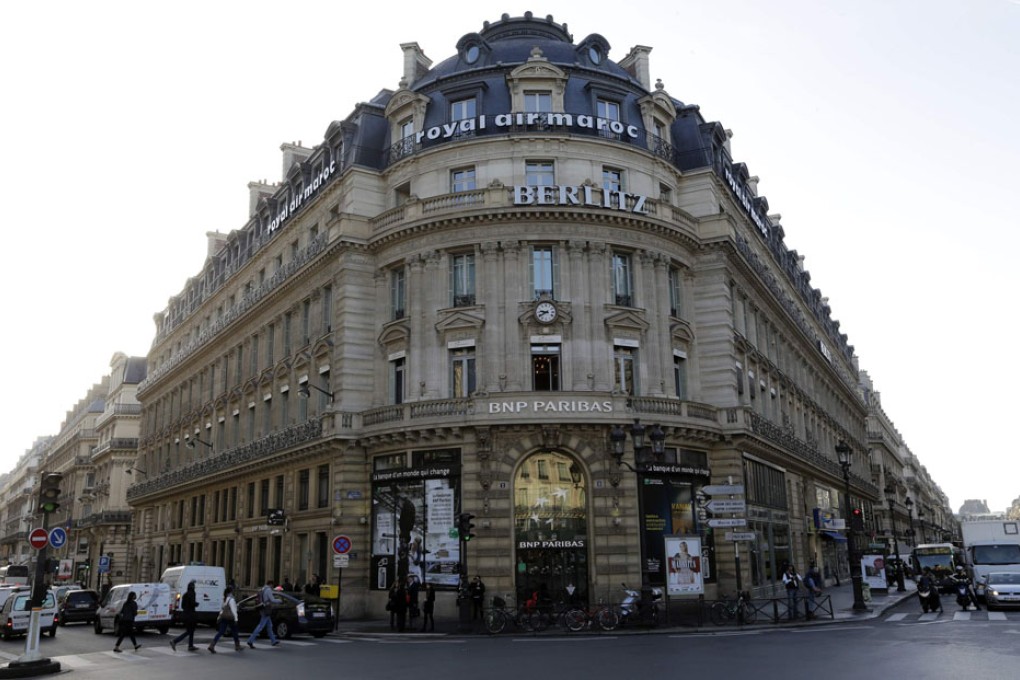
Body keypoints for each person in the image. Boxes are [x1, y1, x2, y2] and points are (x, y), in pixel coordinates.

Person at [247, 579, 281, 648]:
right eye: (272, 585)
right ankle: (250, 640)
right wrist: (279, 600)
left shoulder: (262, 589)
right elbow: (272, 600)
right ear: (271, 584)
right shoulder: (268, 590)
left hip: (262, 608)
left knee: (269, 625)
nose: (272, 587)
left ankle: (273, 641)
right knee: (260, 626)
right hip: (266, 609)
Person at [209, 585, 243, 653]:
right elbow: (233, 610)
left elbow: (222, 609)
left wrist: (219, 617)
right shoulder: (231, 599)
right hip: (230, 618)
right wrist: (236, 619)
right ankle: (237, 646)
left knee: (221, 632)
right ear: (232, 591)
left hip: (224, 617)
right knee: (235, 631)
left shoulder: (225, 598)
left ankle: (212, 645)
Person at [169, 580, 199, 652]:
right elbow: (192, 603)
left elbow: (182, 606)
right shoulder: (192, 593)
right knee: (189, 631)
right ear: (192, 587)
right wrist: (196, 604)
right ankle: (175, 641)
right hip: (191, 615)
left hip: (185, 614)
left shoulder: (185, 594)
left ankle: (190, 645)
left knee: (191, 630)